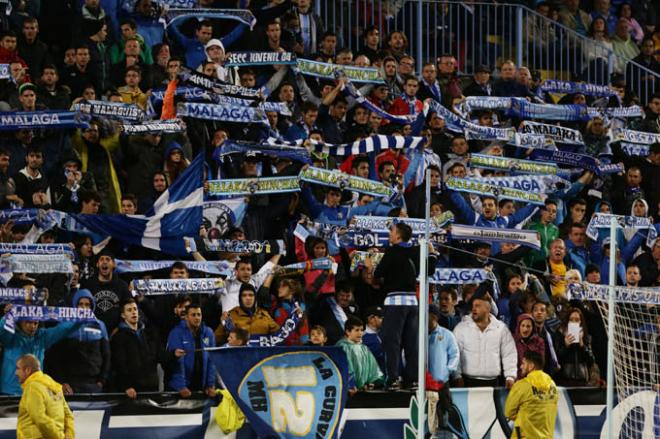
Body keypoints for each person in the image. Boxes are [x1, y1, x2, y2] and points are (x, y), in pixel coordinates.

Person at [371, 223, 438, 390]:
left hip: (395, 302)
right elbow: (430, 270)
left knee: (392, 342)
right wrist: (433, 253)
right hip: (413, 303)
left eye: (391, 231)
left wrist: (370, 265)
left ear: (398, 236)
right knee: (411, 343)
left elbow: (378, 274)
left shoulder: (392, 251)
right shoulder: (417, 251)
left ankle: (393, 379)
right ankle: (413, 380)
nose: (389, 234)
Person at [453, 295, 518, 388]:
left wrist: (510, 376)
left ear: (487, 308)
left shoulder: (501, 328)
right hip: (467, 382)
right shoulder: (461, 328)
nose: (474, 309)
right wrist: (457, 375)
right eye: (473, 306)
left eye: (478, 306)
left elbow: (509, 353)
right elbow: (455, 353)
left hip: (493, 383)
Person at [15, 354, 75, 439]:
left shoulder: (32, 388)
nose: (16, 372)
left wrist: (60, 437)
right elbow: (68, 415)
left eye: (18, 368)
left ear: (27, 370)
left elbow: (40, 419)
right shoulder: (54, 385)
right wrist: (69, 436)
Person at [504, 350, 559, 439]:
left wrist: (524, 416)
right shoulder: (553, 385)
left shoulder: (521, 386)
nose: (521, 366)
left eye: (523, 363)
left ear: (531, 366)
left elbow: (508, 412)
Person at [166, 304, 217, 398]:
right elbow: (177, 362)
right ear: (186, 317)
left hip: (202, 388)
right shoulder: (176, 333)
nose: (197, 318)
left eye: (199, 314)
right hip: (181, 390)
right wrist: (181, 386)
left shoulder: (208, 333)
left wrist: (210, 385)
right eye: (193, 315)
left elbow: (212, 361)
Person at [427, 304, 460, 439]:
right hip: (422, 384)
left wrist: (447, 371)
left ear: (434, 317)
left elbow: (455, 354)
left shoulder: (447, 335)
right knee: (426, 418)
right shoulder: (418, 334)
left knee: (444, 417)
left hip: (441, 384)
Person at [335, 316, 384, 394]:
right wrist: (350, 385)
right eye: (357, 330)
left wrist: (373, 381)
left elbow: (373, 368)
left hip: (363, 391)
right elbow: (345, 368)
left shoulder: (364, 348)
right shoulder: (342, 347)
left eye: (361, 330)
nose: (360, 333)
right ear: (348, 332)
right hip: (346, 392)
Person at [513, 314, 546, 380]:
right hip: (516, 379)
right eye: (523, 326)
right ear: (518, 326)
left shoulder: (539, 342)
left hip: (533, 379)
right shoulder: (511, 340)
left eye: (528, 326)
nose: (525, 329)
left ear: (532, 328)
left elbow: (540, 363)